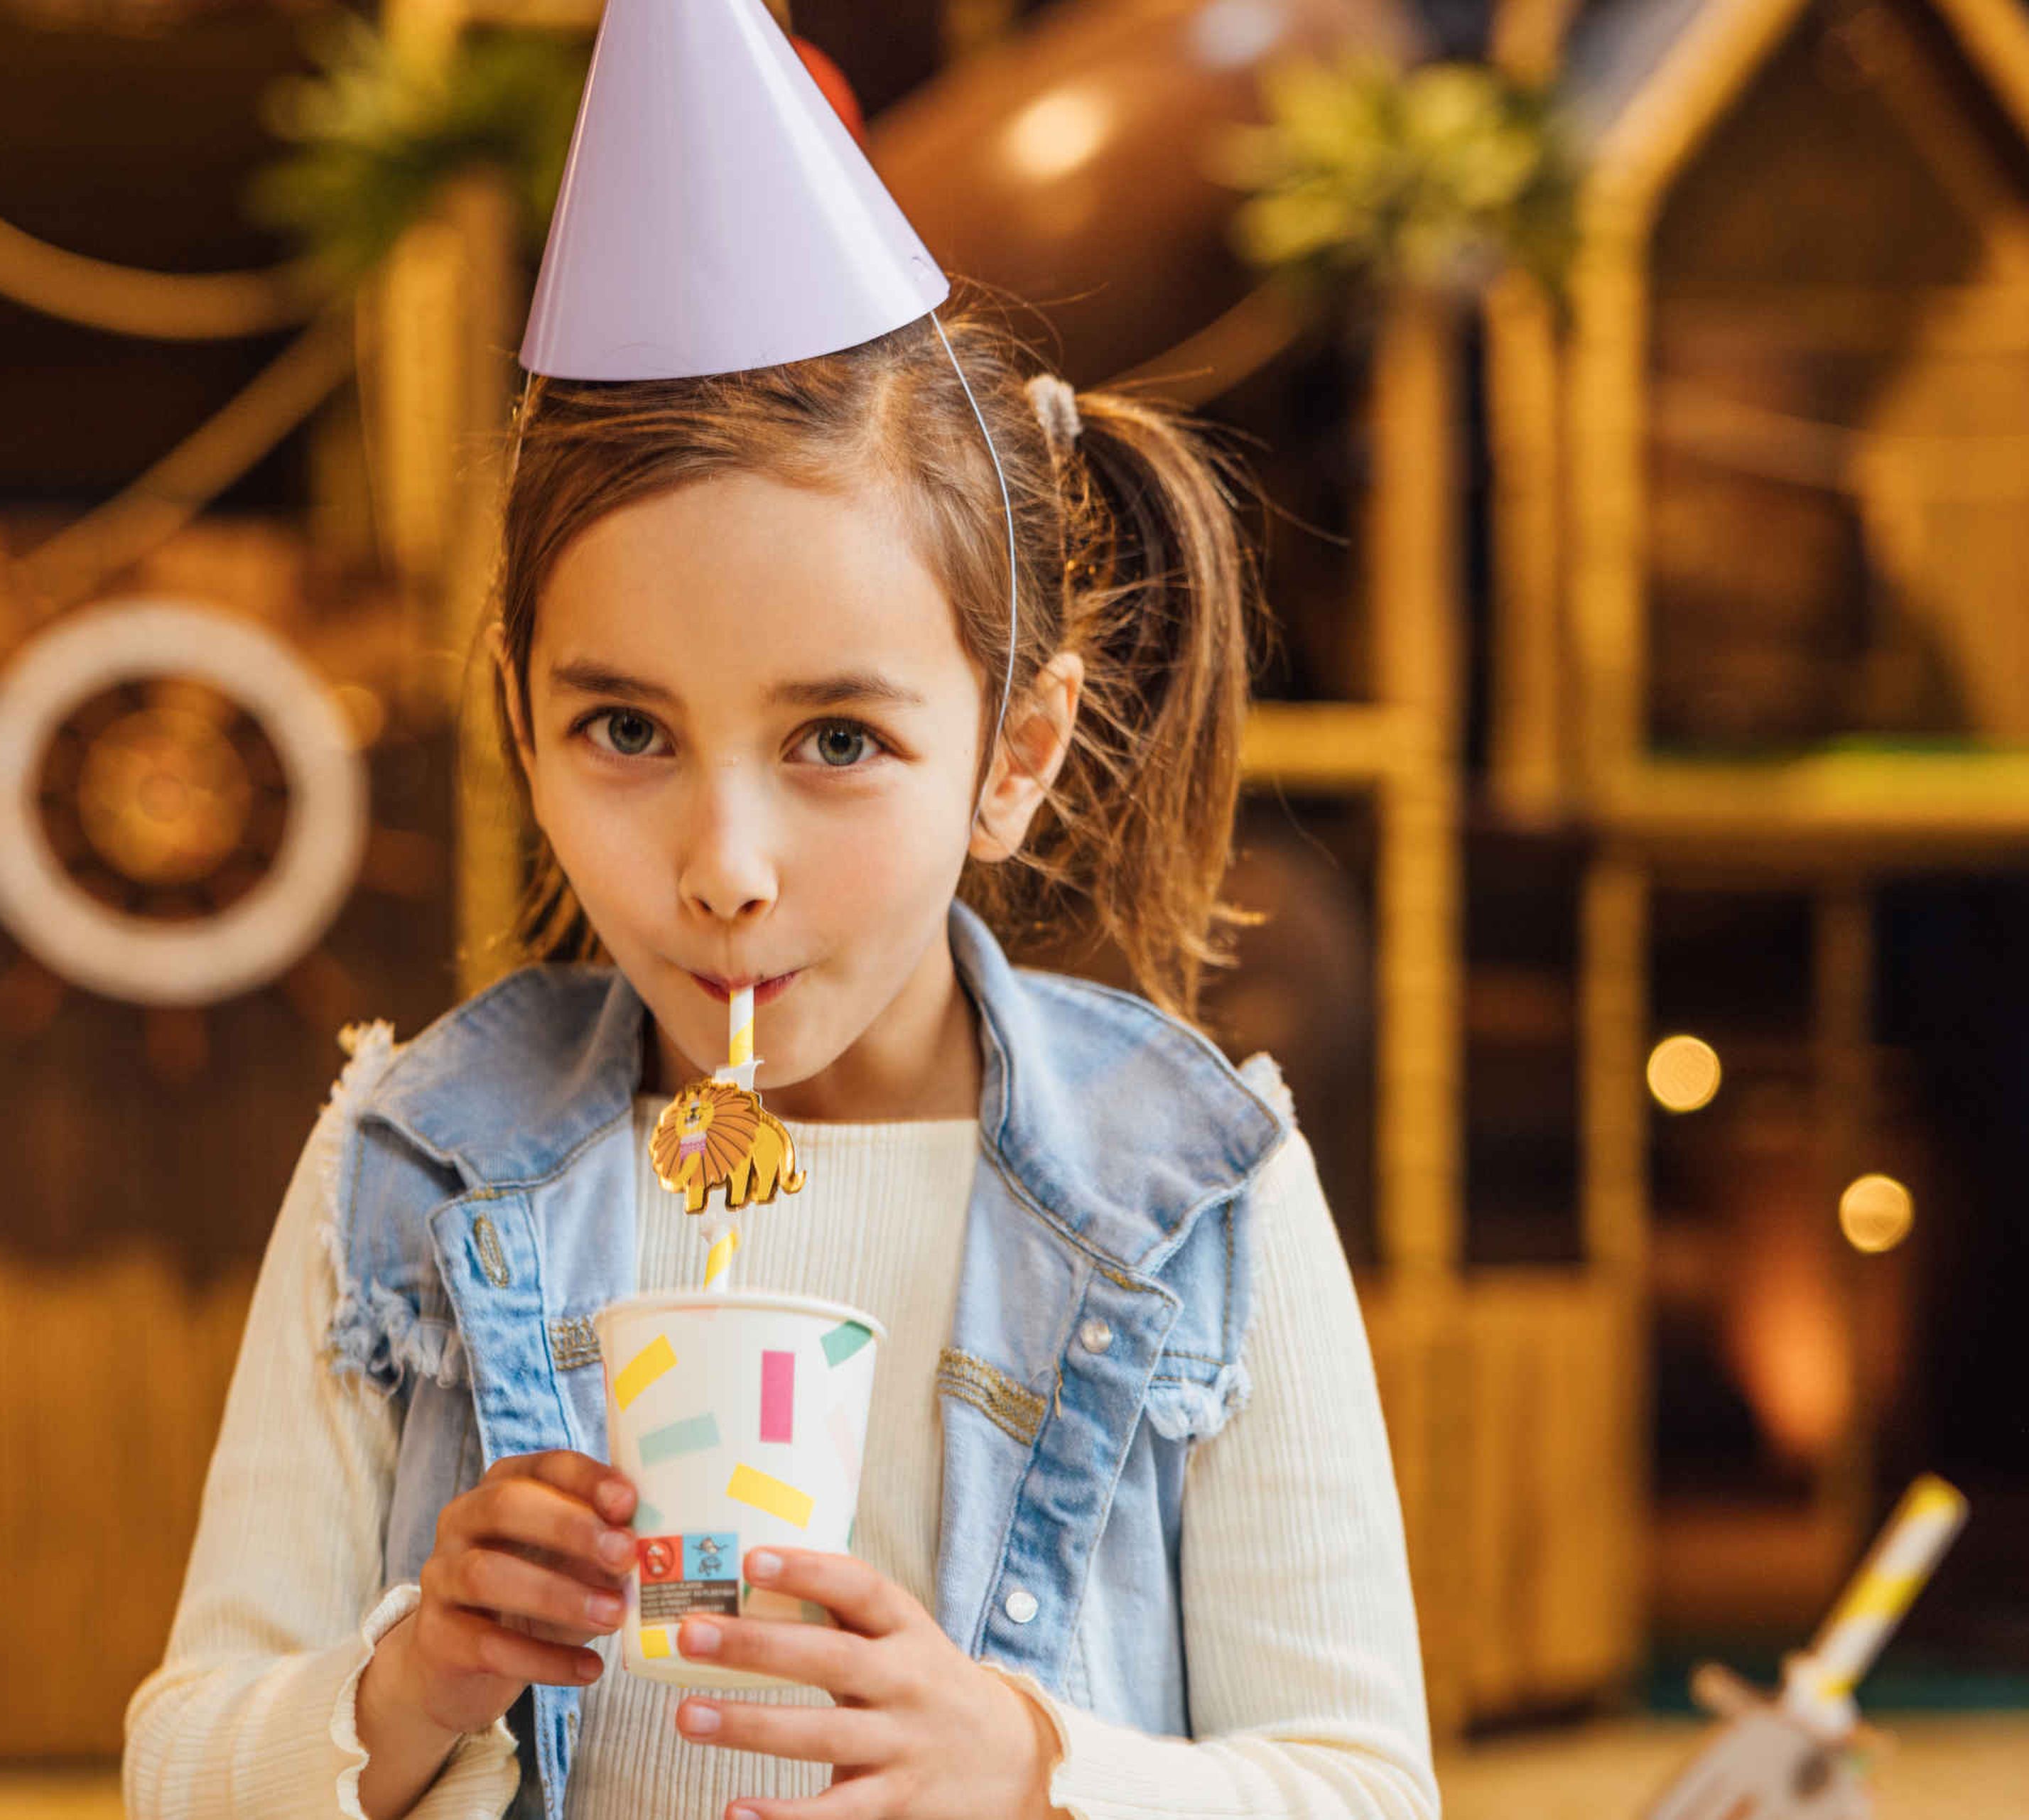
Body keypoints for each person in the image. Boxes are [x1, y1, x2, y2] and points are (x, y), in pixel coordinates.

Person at [126, 4, 1433, 1818]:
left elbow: (1366, 1791)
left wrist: (1034, 1769)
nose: (725, 863)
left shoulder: (1193, 1194)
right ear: (520, 717)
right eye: (625, 730)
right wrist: (408, 1680)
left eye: (835, 738)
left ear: (1016, 749)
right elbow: (180, 1765)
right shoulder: (418, 1171)